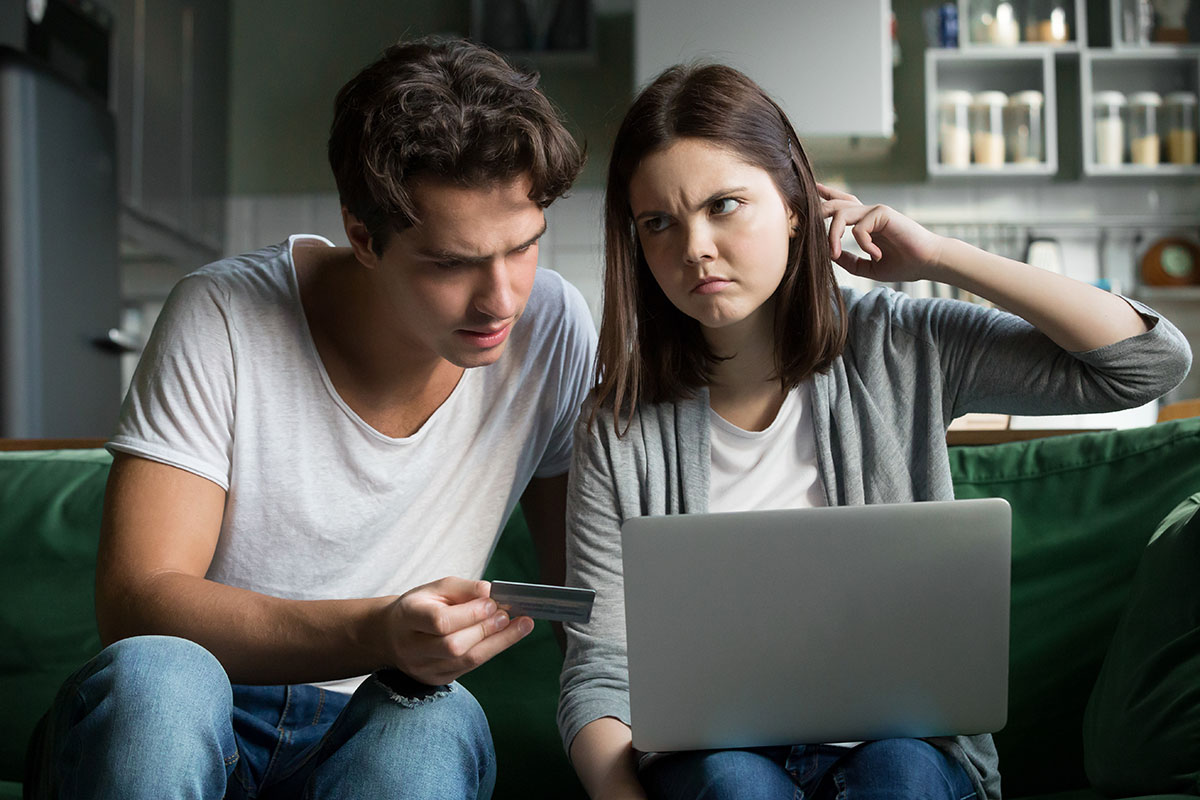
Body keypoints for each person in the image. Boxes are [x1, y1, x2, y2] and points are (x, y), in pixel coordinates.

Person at [557, 63, 1191, 800]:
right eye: (658, 222)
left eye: (724, 205)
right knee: (734, 784)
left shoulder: (899, 343)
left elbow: (1145, 363)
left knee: (900, 770)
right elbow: (600, 666)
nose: (693, 246)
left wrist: (937, 258)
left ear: (796, 205)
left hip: (905, 749)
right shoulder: (619, 423)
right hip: (713, 763)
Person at [29, 37, 596, 799]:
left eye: (523, 248)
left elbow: (583, 599)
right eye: (451, 264)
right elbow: (138, 603)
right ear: (363, 238)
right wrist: (374, 631)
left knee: (430, 719)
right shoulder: (224, 313)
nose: (501, 299)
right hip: (203, 712)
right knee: (160, 677)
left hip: (374, 730)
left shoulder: (552, 327)